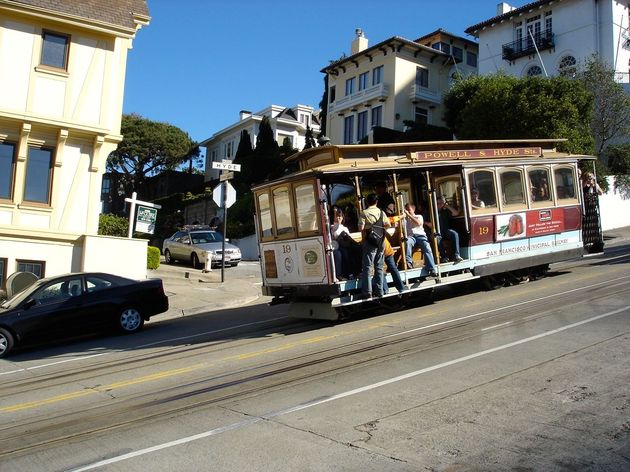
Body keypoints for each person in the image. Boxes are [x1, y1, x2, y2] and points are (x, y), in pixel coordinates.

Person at [359, 193, 390, 299]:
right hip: (381, 242)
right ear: (376, 202)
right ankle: (380, 291)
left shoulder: (364, 213)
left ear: (367, 202)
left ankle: (368, 292)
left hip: (370, 242)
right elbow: (388, 224)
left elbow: (360, 228)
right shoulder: (381, 212)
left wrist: (368, 226)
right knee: (379, 267)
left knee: (367, 267)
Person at [403, 203, 437, 277]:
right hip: (411, 236)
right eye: (406, 210)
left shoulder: (418, 216)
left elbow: (418, 223)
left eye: (409, 210)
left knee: (427, 246)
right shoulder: (404, 220)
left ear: (413, 209)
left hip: (420, 236)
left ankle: (431, 268)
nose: (408, 212)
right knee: (407, 242)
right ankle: (409, 263)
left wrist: (408, 215)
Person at [436, 196, 463, 263]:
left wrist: (447, 206)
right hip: (437, 231)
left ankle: (456, 255)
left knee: (454, 234)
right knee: (437, 238)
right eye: (438, 203)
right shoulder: (432, 211)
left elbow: (456, 213)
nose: (439, 205)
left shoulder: (446, 211)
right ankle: (444, 257)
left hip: (445, 230)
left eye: (441, 203)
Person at [330, 209, 351, 281]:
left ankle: (349, 273)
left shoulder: (345, 228)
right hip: (335, 248)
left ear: (342, 218)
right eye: (337, 216)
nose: (338, 218)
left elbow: (349, 240)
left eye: (340, 216)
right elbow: (334, 231)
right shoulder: (331, 227)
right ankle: (338, 275)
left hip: (343, 247)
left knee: (346, 253)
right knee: (338, 254)